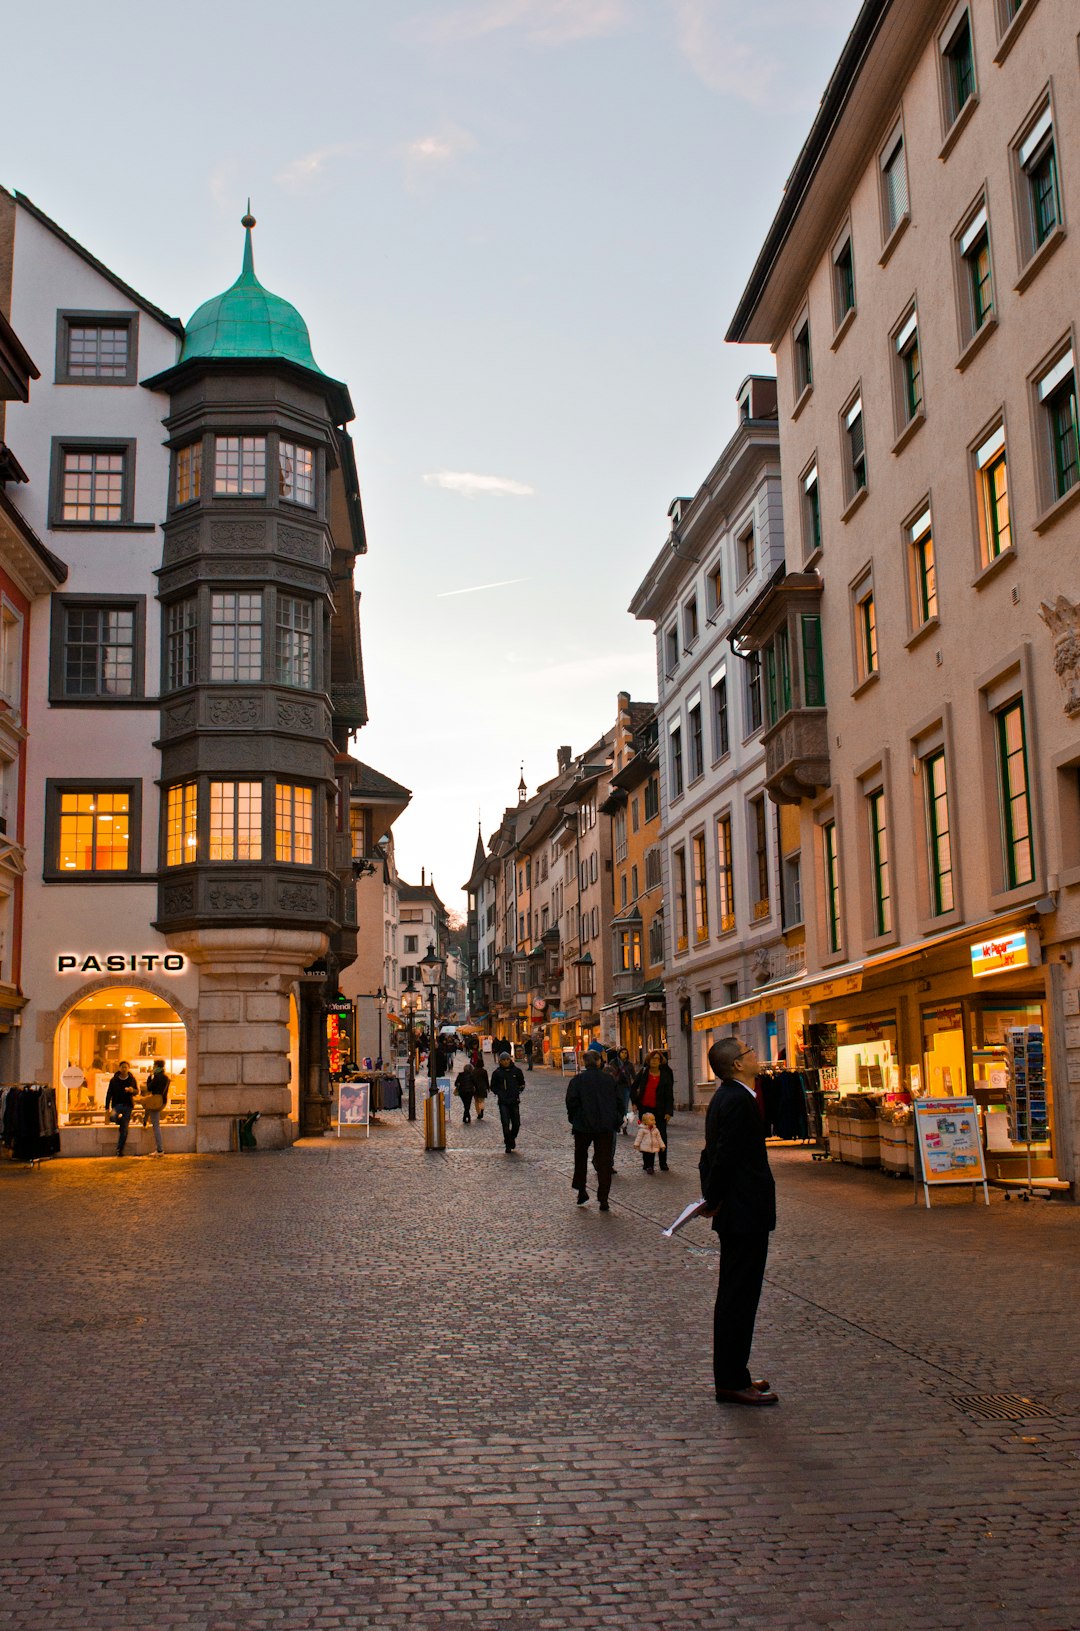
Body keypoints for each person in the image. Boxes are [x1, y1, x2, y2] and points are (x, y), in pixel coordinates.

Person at [700, 1037, 778, 1408]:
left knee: (739, 1295)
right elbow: (724, 1158)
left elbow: (709, 1155)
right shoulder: (737, 1101)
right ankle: (730, 1380)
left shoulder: (726, 1098)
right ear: (736, 1065)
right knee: (738, 1298)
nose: (754, 1055)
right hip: (744, 1212)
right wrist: (713, 1199)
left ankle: (736, 1372)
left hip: (739, 1210)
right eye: (748, 1052)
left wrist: (712, 1198)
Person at [566, 1050, 621, 1210]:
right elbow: (618, 1101)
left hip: (583, 1126)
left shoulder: (578, 1080)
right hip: (605, 1126)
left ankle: (582, 1190)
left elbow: (571, 1101)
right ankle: (603, 1198)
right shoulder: (609, 1080)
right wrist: (615, 1119)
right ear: (599, 1062)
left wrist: (574, 1119)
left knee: (581, 1158)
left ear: (584, 1063)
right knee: (604, 1161)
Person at [631, 1050, 675, 1171]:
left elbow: (669, 1094)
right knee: (647, 1137)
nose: (654, 1061)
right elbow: (633, 1087)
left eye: (656, 1058)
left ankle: (663, 1162)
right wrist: (635, 1102)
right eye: (652, 1059)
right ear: (648, 1061)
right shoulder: (644, 1072)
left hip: (660, 1110)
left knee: (661, 1136)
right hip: (645, 1110)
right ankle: (648, 1164)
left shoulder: (665, 1074)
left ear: (660, 1061)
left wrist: (668, 1111)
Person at [490, 1050, 526, 1152]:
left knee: (516, 1124)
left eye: (507, 1059)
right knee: (505, 1123)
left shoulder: (516, 1071)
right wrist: (499, 1093)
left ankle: (512, 1138)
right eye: (503, 1060)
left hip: (514, 1101)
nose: (506, 1062)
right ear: (500, 1061)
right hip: (503, 1102)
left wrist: (518, 1090)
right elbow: (493, 1086)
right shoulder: (497, 1073)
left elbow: (522, 1083)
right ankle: (508, 1143)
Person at [105, 1061, 138, 1157]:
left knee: (124, 1130)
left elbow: (137, 1091)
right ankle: (122, 1122)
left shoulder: (131, 1079)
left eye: (126, 1067)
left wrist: (132, 1090)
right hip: (116, 1105)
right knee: (112, 1117)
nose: (124, 1069)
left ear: (128, 1068)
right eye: (122, 1067)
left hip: (128, 1105)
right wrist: (106, 1107)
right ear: (119, 1068)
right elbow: (109, 1094)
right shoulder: (114, 1080)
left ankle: (119, 1149)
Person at [142, 1058, 170, 1156]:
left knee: (156, 1126)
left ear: (157, 1066)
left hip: (155, 1102)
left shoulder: (157, 1077)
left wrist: (149, 1077)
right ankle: (144, 1121)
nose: (153, 1067)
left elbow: (149, 1088)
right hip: (162, 1101)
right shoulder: (166, 1077)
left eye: (154, 1065)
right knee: (156, 1123)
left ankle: (159, 1149)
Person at [471, 1054, 489, 1120]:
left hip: (475, 1088)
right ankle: (482, 1110)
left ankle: (478, 1113)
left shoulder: (473, 1071)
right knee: (481, 1101)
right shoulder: (484, 1071)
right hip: (482, 1088)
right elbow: (486, 1080)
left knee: (476, 1101)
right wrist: (488, 1087)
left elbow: (471, 1080)